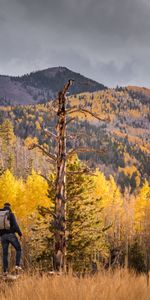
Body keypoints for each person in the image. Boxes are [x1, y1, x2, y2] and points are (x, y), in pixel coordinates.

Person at [0, 203, 22, 275]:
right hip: (11, 235)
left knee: (5, 254)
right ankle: (17, 265)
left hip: (3, 236)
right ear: (9, 207)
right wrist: (20, 234)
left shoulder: (0, 215)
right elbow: (15, 225)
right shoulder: (10, 214)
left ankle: (5, 271)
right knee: (18, 249)